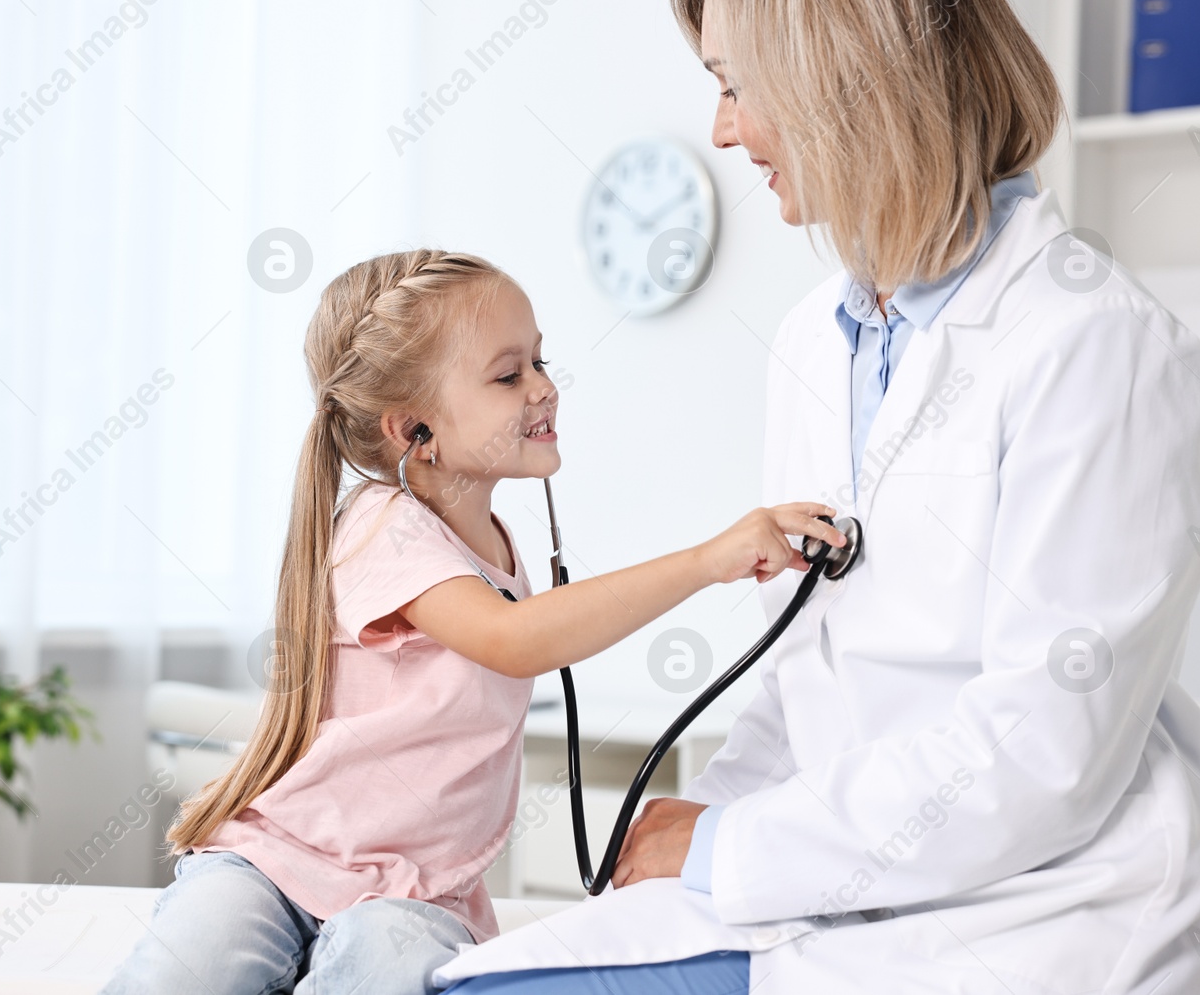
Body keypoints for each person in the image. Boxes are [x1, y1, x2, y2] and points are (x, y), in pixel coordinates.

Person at [436, 0, 1200, 992]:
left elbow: (1044, 749)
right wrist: (701, 832)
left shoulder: (1098, 346)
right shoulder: (817, 336)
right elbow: (806, 667)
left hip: (1032, 919)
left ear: (845, 79)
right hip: (836, 898)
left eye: (734, 86)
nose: (722, 133)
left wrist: (729, 848)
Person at [100, 248, 846, 995]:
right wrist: (707, 558)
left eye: (540, 361)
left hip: (418, 891)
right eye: (508, 374)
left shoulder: (496, 549)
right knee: (196, 958)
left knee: (382, 958)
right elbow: (515, 641)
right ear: (413, 430)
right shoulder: (382, 525)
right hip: (280, 856)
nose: (545, 388)